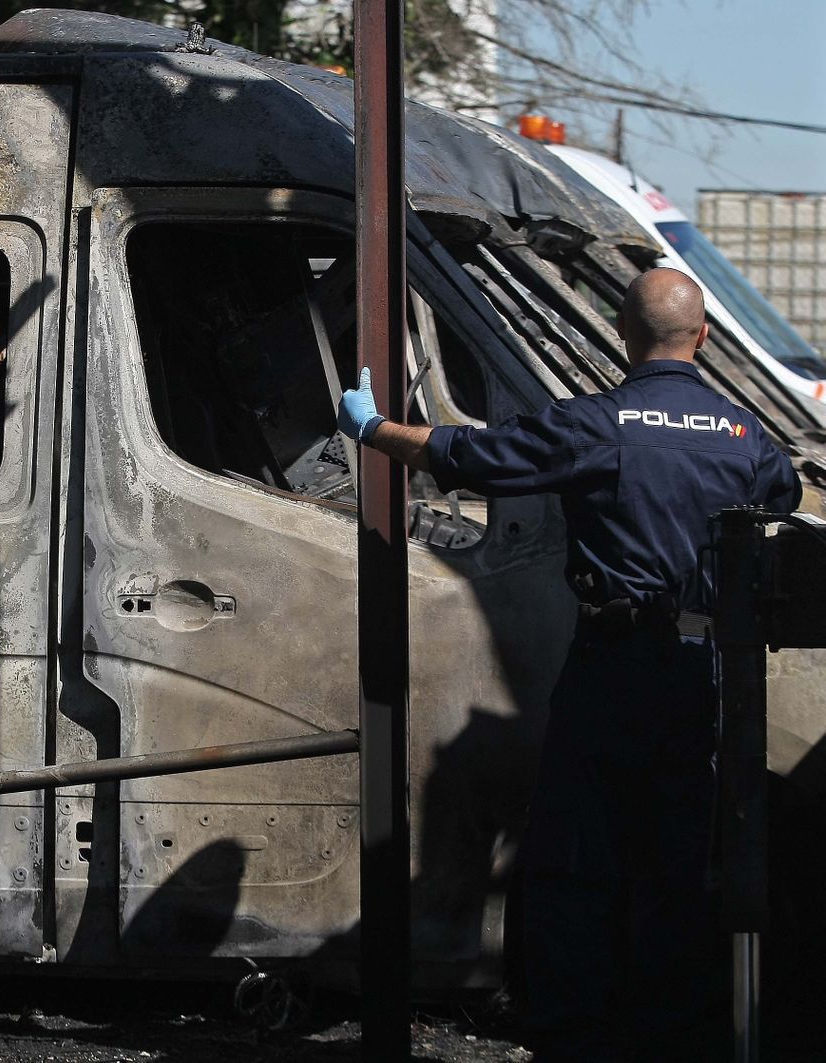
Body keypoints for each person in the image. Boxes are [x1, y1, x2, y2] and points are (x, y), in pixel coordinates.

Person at [336, 267, 801, 1061]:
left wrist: (373, 426)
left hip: (613, 668)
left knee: (573, 854)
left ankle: (571, 1031)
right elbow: (783, 495)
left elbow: (473, 455)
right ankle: (663, 1032)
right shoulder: (742, 434)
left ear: (623, 333)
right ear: (705, 338)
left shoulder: (600, 424)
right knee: (679, 859)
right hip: (700, 674)